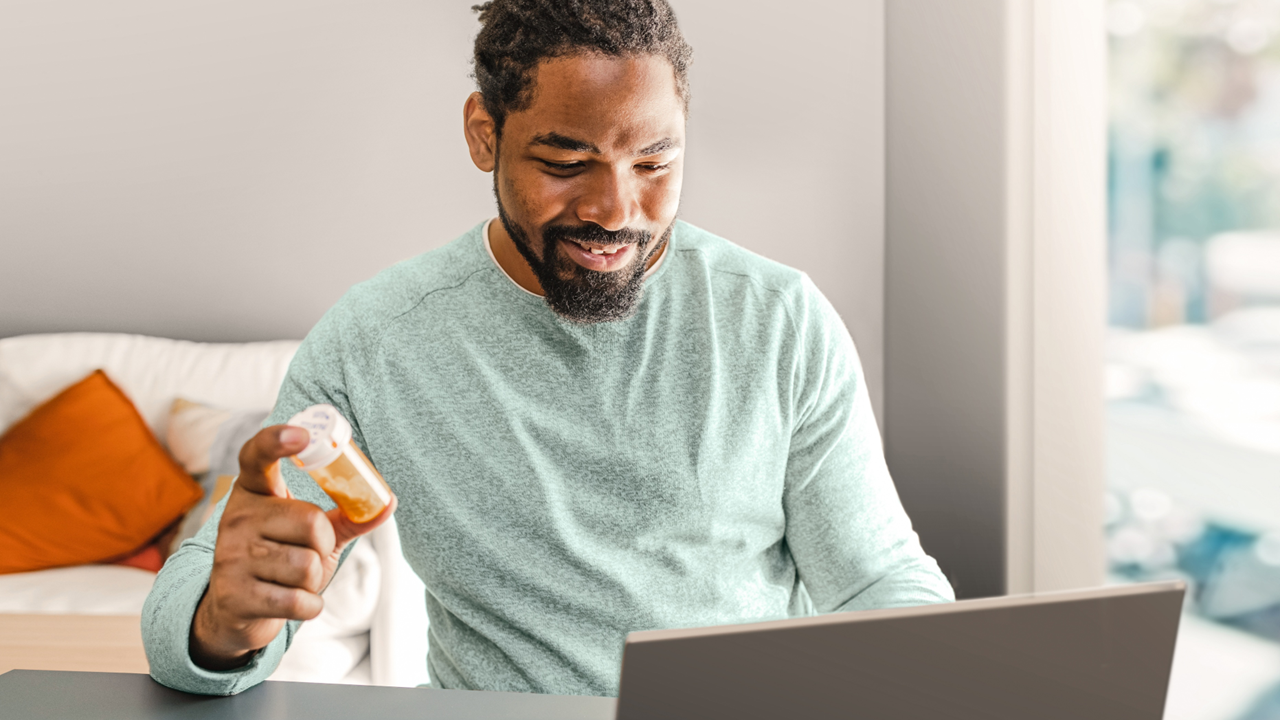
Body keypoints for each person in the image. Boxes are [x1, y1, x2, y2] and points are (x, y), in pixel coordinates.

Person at [142, 0, 954, 698]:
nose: (615, 209)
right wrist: (221, 621)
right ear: (484, 134)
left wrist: (937, 678)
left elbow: (877, 579)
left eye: (654, 161)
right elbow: (194, 618)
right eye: (567, 162)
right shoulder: (375, 342)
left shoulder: (779, 322)